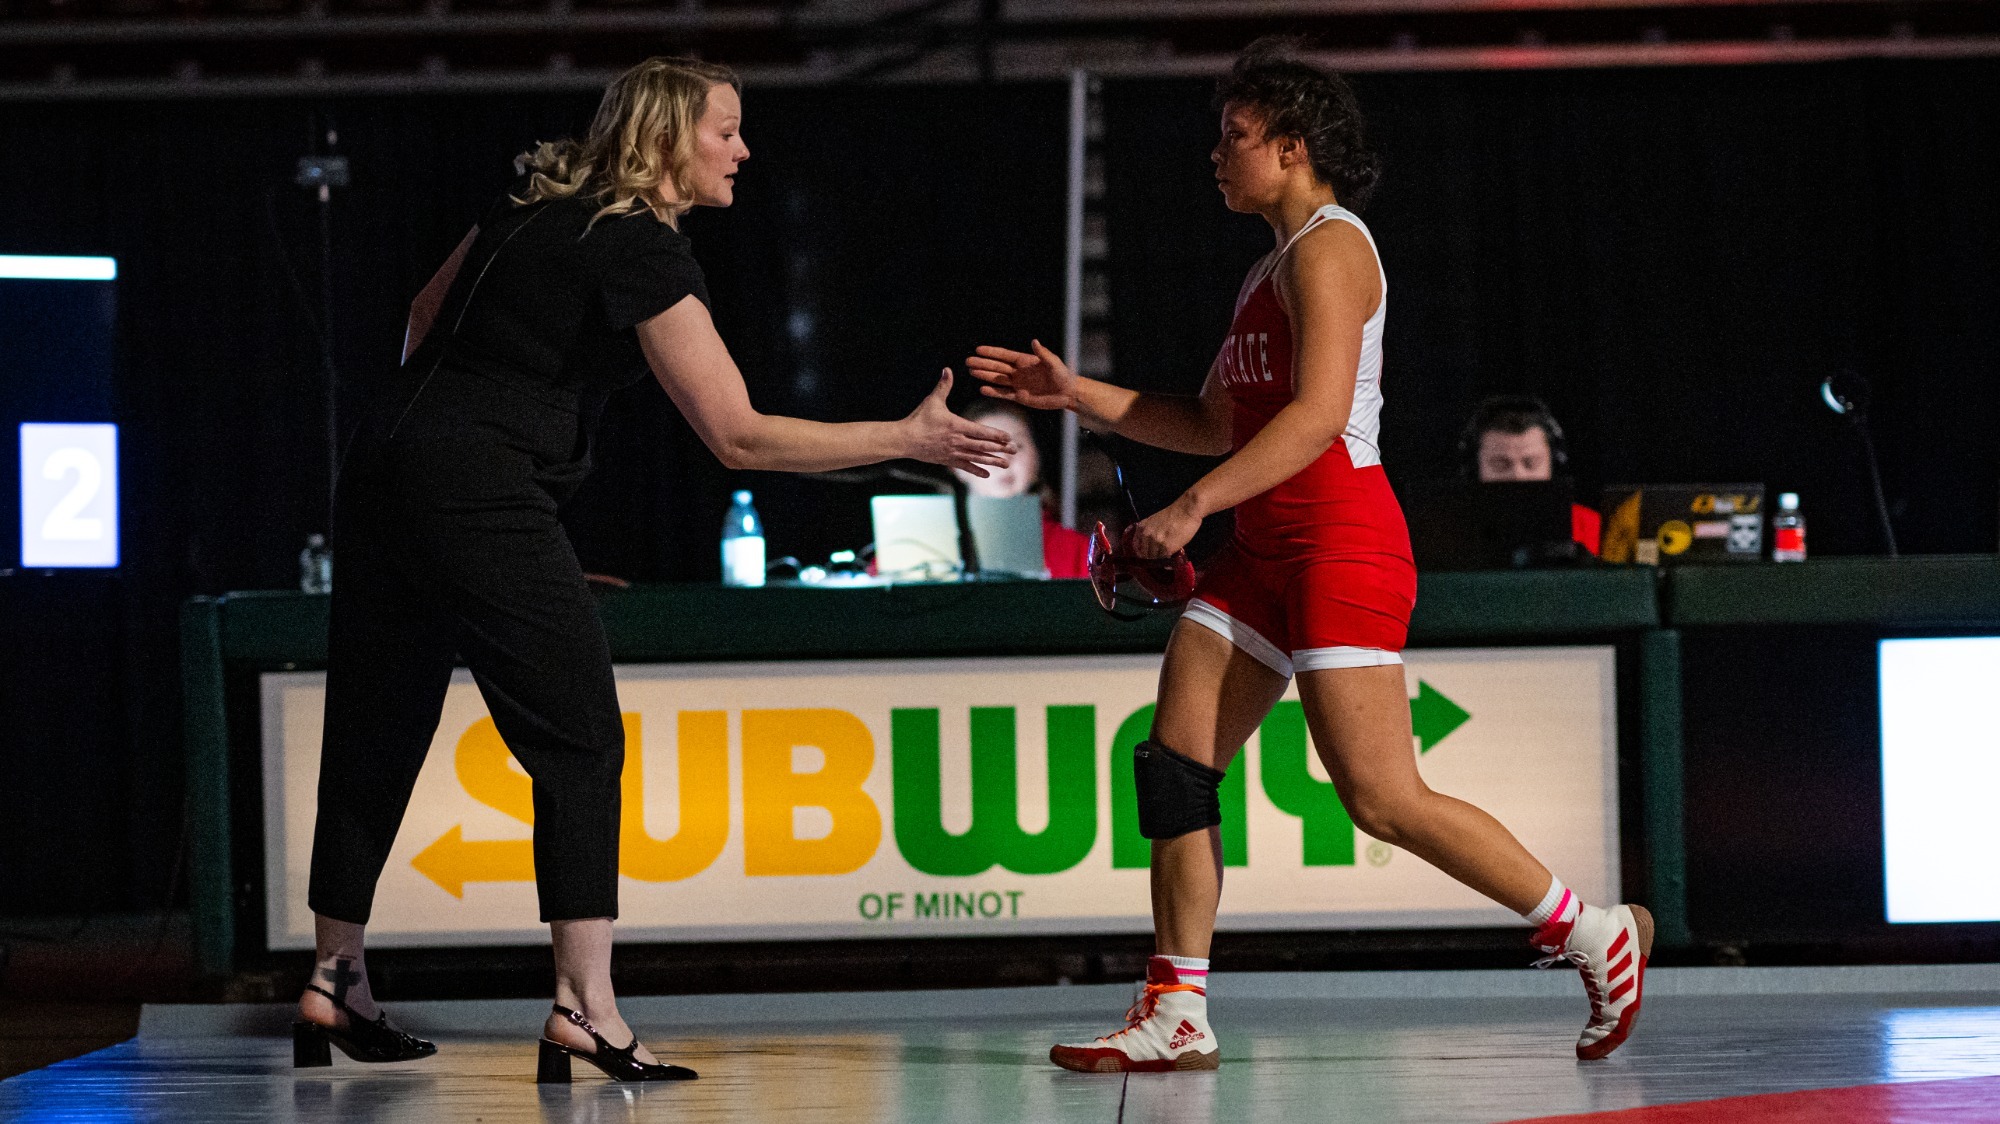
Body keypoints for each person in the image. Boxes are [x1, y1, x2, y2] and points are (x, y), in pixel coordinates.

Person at [297, 56, 1014, 1081]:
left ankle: (334, 980)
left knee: (378, 718)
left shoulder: (528, 210)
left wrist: (471, 524)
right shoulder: (638, 245)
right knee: (580, 737)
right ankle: (585, 1007)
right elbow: (739, 438)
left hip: (385, 464)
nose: (742, 149)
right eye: (726, 128)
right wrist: (905, 433)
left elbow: (419, 317)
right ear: (671, 136)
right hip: (477, 486)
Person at [969, 41, 1651, 1072]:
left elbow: (1317, 416)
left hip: (1339, 542)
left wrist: (1191, 510)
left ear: (1291, 149)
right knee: (1174, 767)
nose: (1215, 155)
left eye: (1233, 138)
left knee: (1378, 796)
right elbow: (1208, 417)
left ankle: (1587, 929)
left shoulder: (1333, 248)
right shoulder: (1265, 270)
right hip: (1264, 550)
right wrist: (1077, 393)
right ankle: (1175, 1010)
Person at [951, 399, 1093, 578]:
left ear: (1036, 458)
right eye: (985, 449)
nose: (1003, 460)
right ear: (956, 466)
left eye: (1016, 446)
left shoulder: (1079, 551)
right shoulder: (928, 542)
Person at [1461, 394, 1601, 555]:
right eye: (1500, 465)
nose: (1518, 476)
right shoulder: (1443, 532)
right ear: (1475, 468)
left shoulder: (1589, 527)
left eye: (1531, 463)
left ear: (1554, 464)